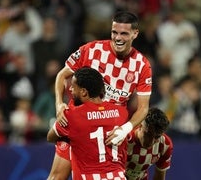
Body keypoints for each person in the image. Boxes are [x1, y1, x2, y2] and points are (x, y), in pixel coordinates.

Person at [49, 11, 152, 179]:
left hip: (111, 134)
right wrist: (59, 104)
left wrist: (125, 130)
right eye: (114, 32)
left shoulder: (142, 65)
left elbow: (143, 108)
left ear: (135, 34)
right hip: (79, 125)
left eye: (124, 33)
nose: (118, 38)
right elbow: (62, 75)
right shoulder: (92, 50)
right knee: (56, 177)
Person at [47, 67, 129, 179]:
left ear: (84, 92)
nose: (70, 89)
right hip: (118, 177)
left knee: (65, 140)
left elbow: (50, 137)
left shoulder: (72, 115)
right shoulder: (121, 112)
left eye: (73, 86)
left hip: (88, 177)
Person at [125, 107, 173, 180]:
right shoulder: (125, 139)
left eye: (157, 137)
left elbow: (159, 176)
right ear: (140, 126)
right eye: (148, 135)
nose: (151, 141)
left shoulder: (165, 144)